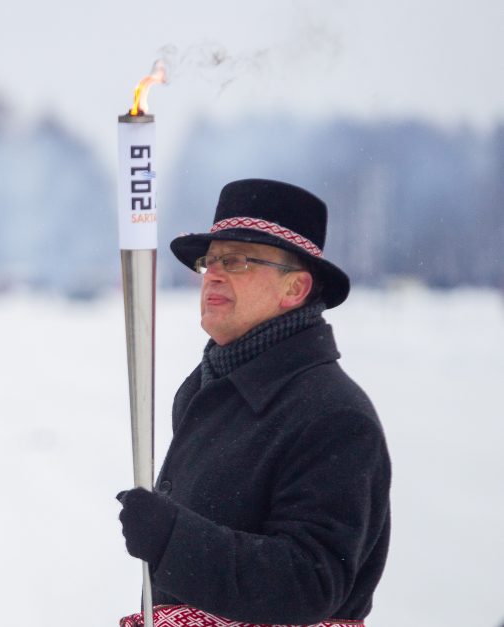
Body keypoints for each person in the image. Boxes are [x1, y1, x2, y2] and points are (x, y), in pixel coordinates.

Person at [116, 179, 391, 627]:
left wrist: (172, 539)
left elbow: (309, 582)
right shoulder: (204, 390)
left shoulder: (335, 414)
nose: (214, 274)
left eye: (238, 260)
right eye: (210, 261)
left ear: (295, 289)